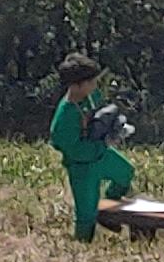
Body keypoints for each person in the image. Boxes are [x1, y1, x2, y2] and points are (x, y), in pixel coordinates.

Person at [48, 54, 134, 244]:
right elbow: (73, 149)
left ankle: (108, 212)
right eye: (91, 82)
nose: (95, 85)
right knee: (86, 214)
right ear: (76, 85)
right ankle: (82, 246)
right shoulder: (64, 118)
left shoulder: (88, 96)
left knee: (125, 173)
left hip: (101, 155)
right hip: (81, 167)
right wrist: (103, 143)